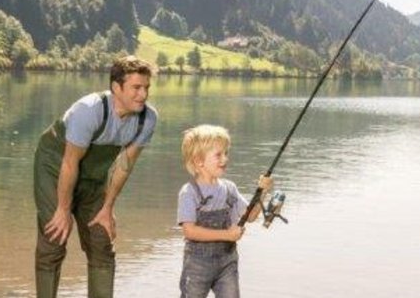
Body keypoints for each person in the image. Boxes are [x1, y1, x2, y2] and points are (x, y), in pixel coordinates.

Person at [34, 56, 159, 298]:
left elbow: (124, 165)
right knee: (55, 237)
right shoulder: (89, 110)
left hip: (93, 176)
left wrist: (108, 207)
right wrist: (63, 209)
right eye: (136, 87)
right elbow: (70, 163)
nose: (143, 95)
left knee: (101, 240)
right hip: (55, 166)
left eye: (146, 88)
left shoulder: (147, 119)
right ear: (116, 87)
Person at [177, 125, 273, 298]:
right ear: (199, 160)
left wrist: (262, 191)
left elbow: (250, 216)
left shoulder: (229, 188)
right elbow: (189, 231)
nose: (225, 159)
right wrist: (227, 235)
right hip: (197, 265)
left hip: (227, 262)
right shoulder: (189, 192)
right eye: (218, 155)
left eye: (226, 153)